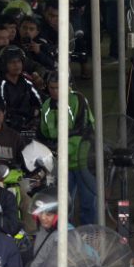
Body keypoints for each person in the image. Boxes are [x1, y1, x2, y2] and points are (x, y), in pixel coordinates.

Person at [38, 70, 97, 225]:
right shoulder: (46, 106)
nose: (56, 91)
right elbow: (44, 132)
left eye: (59, 87)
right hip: (62, 162)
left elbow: (83, 128)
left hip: (83, 159)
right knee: (63, 204)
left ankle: (89, 233)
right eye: (52, 88)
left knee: (88, 203)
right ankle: (66, 234)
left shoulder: (78, 99)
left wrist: (59, 143)